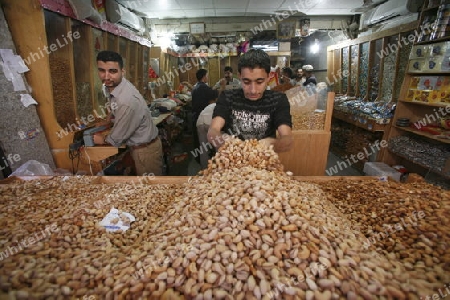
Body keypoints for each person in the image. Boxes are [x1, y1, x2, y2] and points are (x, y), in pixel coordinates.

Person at [207, 49, 293, 152]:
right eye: (246, 82)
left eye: (259, 82)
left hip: (263, 162)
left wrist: (272, 143)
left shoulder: (278, 100)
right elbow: (213, 131)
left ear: (268, 77)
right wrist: (226, 141)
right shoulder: (228, 97)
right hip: (233, 160)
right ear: (239, 76)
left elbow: (287, 139)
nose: (253, 90)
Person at [93, 50, 163, 176]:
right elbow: (112, 103)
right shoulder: (112, 86)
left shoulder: (127, 100)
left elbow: (116, 139)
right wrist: (108, 119)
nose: (106, 76)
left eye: (112, 71)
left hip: (145, 152)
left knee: (151, 190)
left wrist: (101, 138)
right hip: (139, 147)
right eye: (102, 71)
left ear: (122, 71)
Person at [191, 69, 224, 156]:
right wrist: (222, 86)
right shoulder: (203, 88)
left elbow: (210, 92)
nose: (208, 77)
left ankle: (203, 165)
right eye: (207, 76)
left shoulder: (196, 87)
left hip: (197, 118)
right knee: (214, 144)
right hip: (205, 118)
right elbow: (218, 95)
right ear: (204, 77)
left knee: (202, 147)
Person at [196, 102, 216, 169]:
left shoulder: (212, 105)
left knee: (203, 148)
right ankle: (218, 170)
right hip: (210, 123)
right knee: (219, 149)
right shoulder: (225, 106)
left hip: (200, 123)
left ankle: (205, 169)